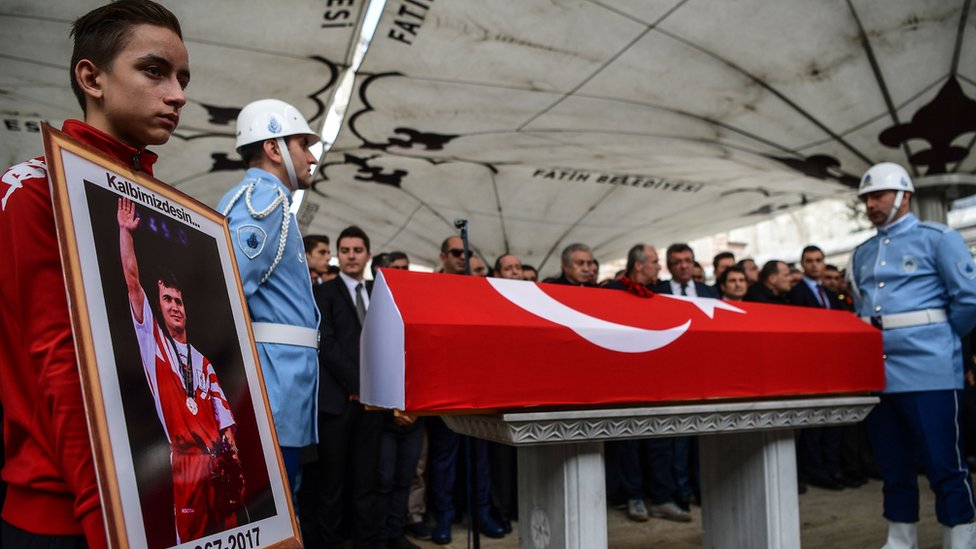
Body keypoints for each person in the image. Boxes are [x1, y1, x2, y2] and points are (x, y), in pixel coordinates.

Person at [0, 2, 187, 546]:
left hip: (155, 501)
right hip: (72, 516)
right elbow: (60, 365)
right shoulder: (35, 189)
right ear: (92, 77)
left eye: (182, 78)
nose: (177, 94)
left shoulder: (167, 214)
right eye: (154, 71)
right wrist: (109, 522)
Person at [851, 162, 976, 548]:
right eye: (866, 198)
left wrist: (940, 340)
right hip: (880, 373)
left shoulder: (938, 238)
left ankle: (961, 536)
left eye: (878, 195)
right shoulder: (863, 252)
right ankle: (901, 538)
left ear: (903, 196)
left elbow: (968, 300)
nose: (871, 203)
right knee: (892, 464)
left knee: (944, 464)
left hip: (931, 369)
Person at [118, 198, 243, 541]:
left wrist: (231, 460)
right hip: (185, 467)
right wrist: (125, 233)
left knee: (231, 536)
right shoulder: (153, 343)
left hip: (216, 467)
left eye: (178, 300)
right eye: (167, 301)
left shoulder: (204, 362)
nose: (174, 307)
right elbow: (132, 282)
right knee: (189, 539)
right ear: (158, 307)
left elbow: (226, 421)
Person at [216, 99, 321, 491]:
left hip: (280, 381)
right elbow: (225, 295)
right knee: (272, 504)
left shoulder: (271, 201)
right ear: (274, 149)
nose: (311, 157)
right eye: (302, 144)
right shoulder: (262, 202)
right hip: (271, 383)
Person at [309, 226, 385, 548]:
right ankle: (332, 543)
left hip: (373, 403)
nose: (352, 255)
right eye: (346, 250)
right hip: (338, 402)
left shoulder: (381, 294)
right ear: (338, 255)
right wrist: (356, 383)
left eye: (358, 250)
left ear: (368, 254)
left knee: (366, 480)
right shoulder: (324, 293)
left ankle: (365, 541)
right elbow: (326, 342)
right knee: (333, 483)